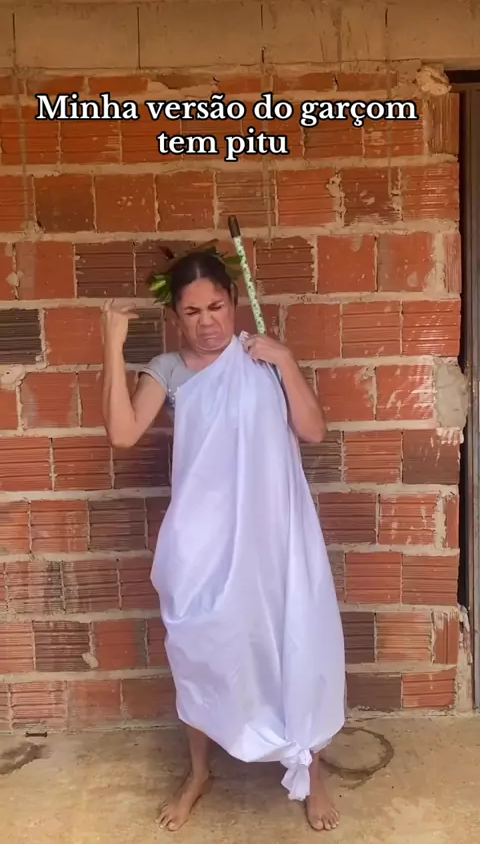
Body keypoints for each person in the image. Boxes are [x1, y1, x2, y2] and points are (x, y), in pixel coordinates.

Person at [101, 249, 346, 833]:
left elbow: (313, 430)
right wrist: (111, 343)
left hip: (274, 537)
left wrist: (285, 361)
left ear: (233, 302)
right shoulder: (168, 370)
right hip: (203, 544)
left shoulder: (262, 357)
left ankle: (311, 769)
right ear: (175, 317)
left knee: (294, 642)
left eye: (215, 307)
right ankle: (199, 773)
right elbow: (123, 432)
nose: (207, 322)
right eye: (192, 312)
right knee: (201, 652)